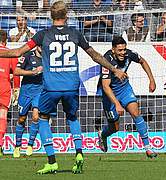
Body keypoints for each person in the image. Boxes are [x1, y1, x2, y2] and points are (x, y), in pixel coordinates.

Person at [0, 1, 127, 174]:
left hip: (51, 86)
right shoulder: (75, 33)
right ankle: (79, 153)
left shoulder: (43, 35)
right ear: (66, 16)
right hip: (71, 86)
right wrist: (114, 69)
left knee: (43, 118)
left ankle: (52, 161)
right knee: (72, 117)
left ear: (51, 16)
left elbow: (16, 53)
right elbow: (94, 55)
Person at [97, 36, 157, 158]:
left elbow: (143, 61)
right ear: (113, 50)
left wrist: (151, 80)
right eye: (120, 50)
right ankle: (103, 134)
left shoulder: (129, 54)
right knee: (115, 128)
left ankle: (148, 148)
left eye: (124, 49)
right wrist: (117, 104)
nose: (123, 52)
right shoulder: (106, 61)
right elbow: (106, 86)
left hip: (124, 89)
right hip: (110, 95)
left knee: (136, 113)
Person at [12, 47, 43, 158]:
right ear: (38, 46)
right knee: (22, 118)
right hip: (26, 91)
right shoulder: (27, 56)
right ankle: (17, 146)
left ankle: (30, 145)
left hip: (40, 91)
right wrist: (33, 72)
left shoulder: (49, 57)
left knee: (36, 117)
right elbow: (16, 71)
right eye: (42, 45)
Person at [0, 29, 20, 156]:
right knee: (2, 116)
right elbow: (16, 72)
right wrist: (17, 88)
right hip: (4, 87)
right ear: (5, 40)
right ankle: (0, 145)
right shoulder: (10, 53)